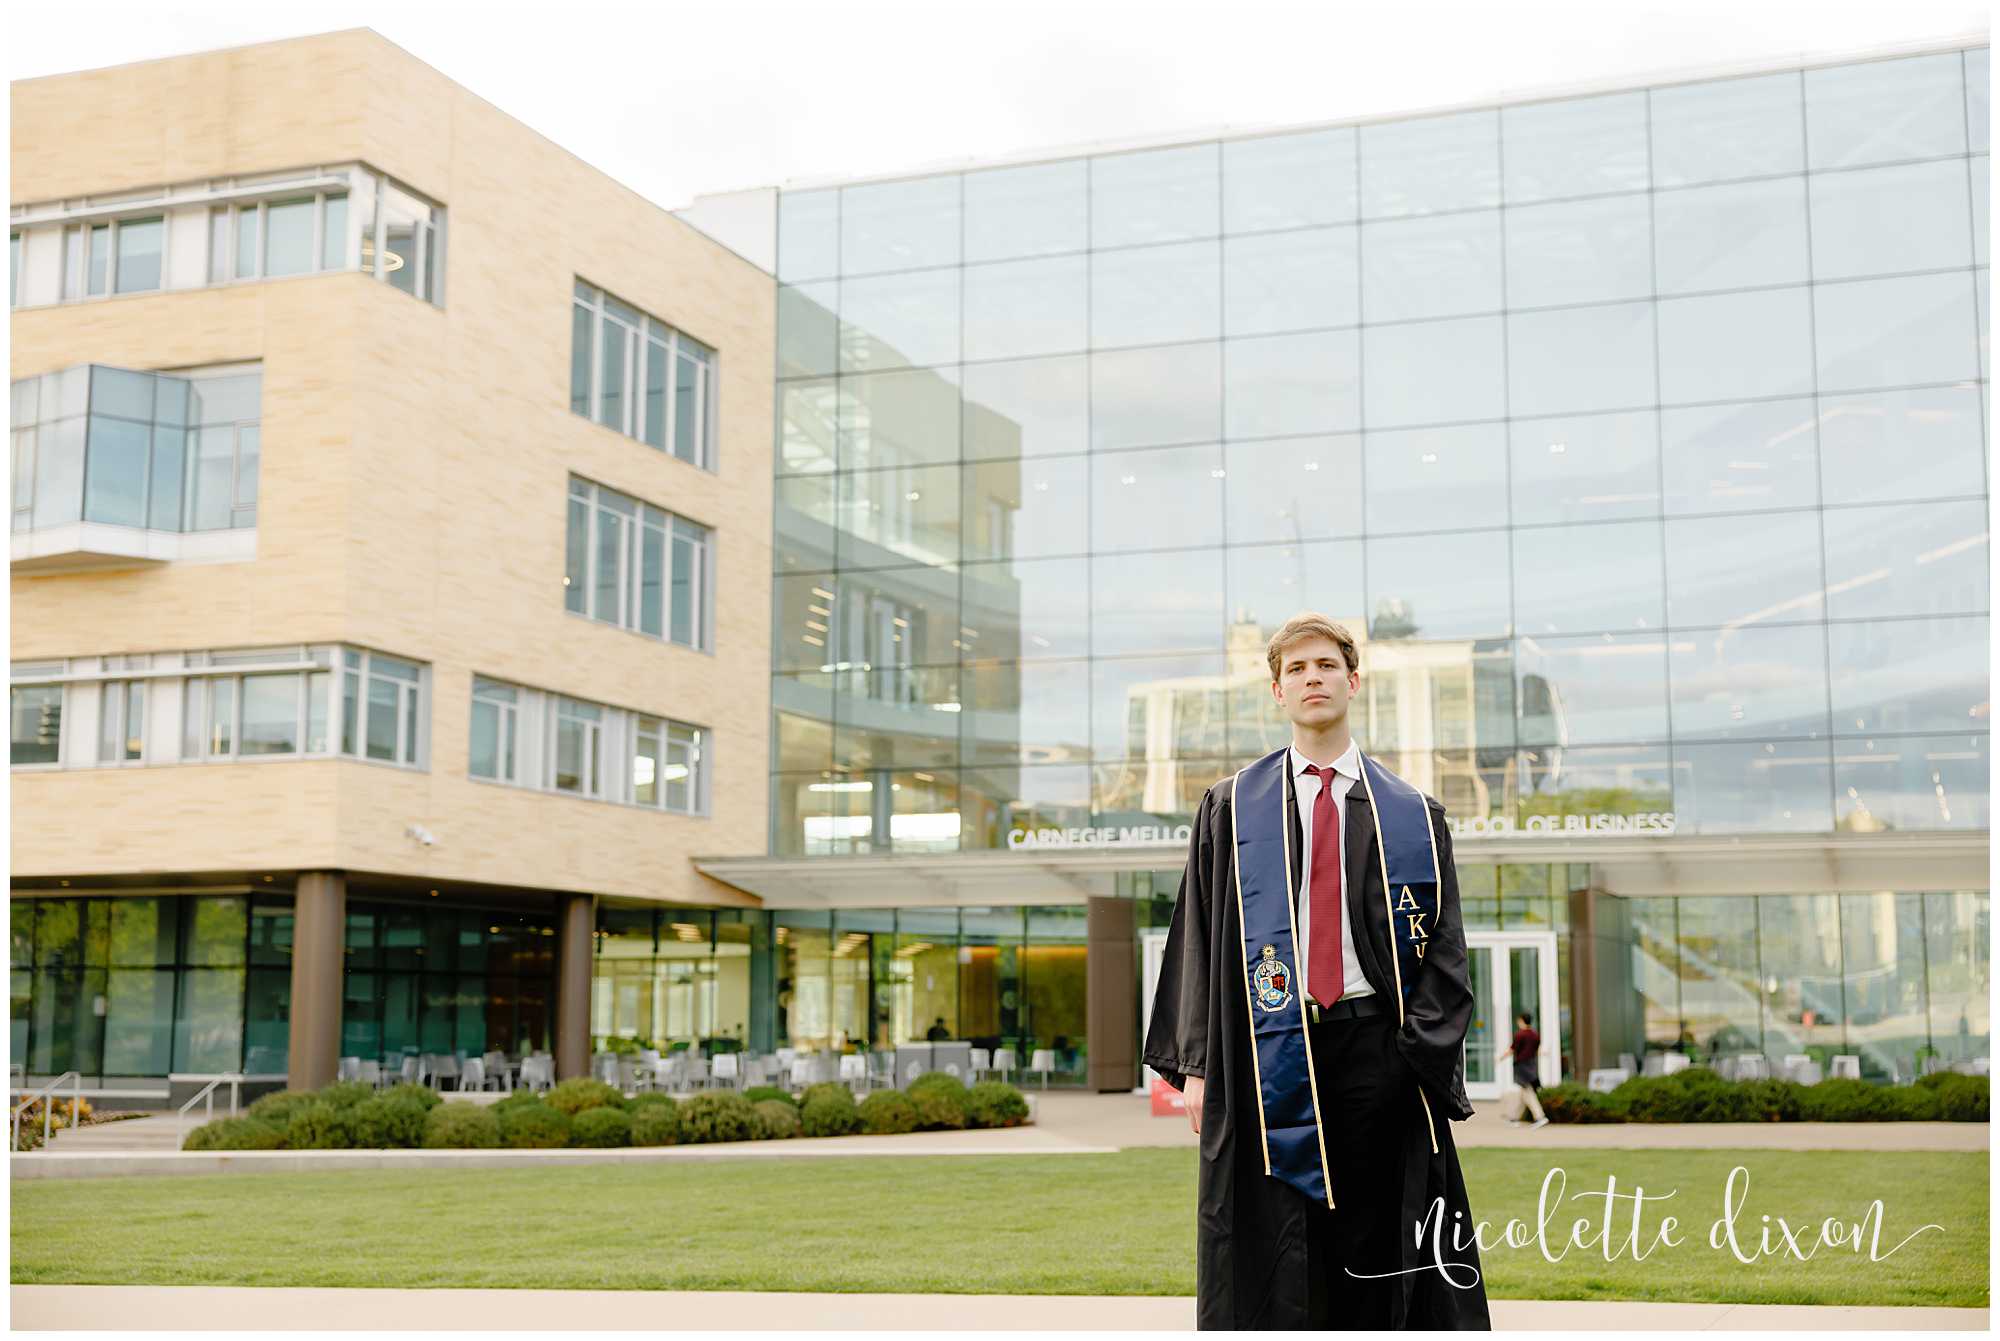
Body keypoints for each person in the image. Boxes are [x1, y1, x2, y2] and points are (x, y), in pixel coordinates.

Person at [1144, 612, 1490, 1330]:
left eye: (1326, 665)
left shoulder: (1414, 815)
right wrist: (1198, 1063)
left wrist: (1416, 1059)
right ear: (1277, 690)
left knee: (1377, 1242)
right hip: (1268, 1053)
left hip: (1377, 1053)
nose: (1313, 679)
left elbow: (1446, 952)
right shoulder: (1234, 806)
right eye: (1297, 669)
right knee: (1279, 1242)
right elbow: (1201, 935)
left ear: (1353, 680)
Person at [1498, 1011, 1549, 1128]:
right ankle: (1514, 1118)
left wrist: (1500, 1058)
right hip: (1532, 1065)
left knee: (1527, 1091)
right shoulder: (1535, 1035)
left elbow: (1512, 1049)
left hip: (1522, 1066)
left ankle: (1540, 1117)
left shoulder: (1520, 1035)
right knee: (1523, 1092)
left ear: (1521, 1021)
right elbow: (1536, 1050)